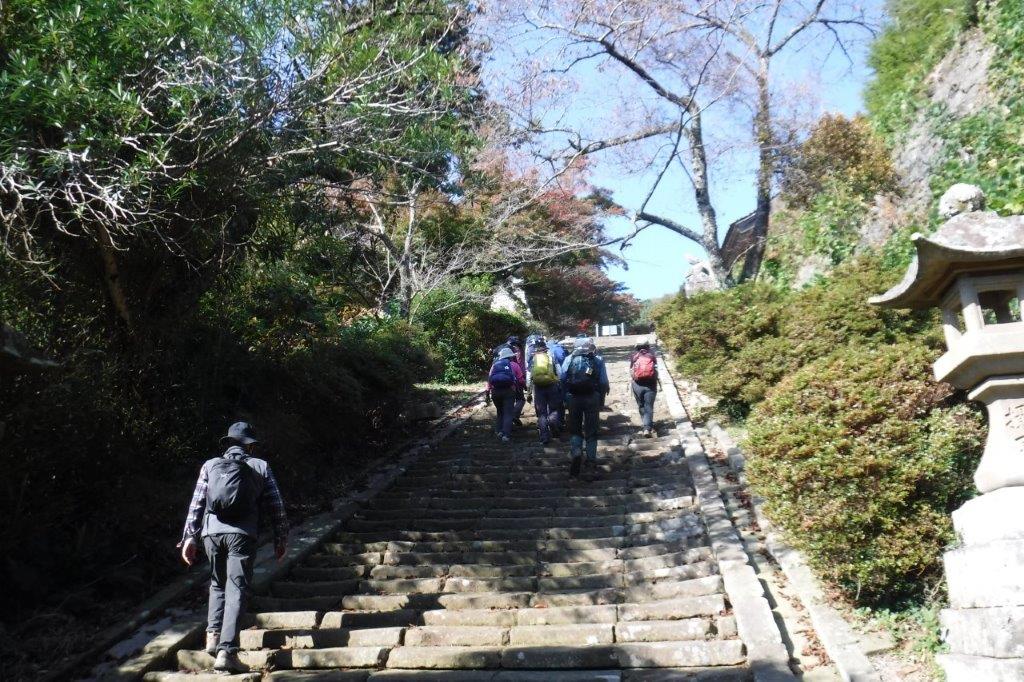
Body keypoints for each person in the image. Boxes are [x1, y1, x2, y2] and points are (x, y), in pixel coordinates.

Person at [178, 422, 289, 673]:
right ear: (250, 446)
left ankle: (213, 637)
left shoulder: (210, 465)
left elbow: (197, 503)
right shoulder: (260, 466)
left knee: (217, 583)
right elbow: (276, 505)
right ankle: (227, 652)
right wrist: (281, 538)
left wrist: (189, 538)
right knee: (237, 588)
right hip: (242, 535)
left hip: (211, 534)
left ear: (228, 443)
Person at [560, 337, 610, 478]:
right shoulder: (598, 360)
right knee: (591, 431)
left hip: (573, 398)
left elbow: (562, 378)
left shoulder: (569, 359)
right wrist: (601, 400)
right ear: (590, 347)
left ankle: (576, 451)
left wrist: (565, 397)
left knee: (575, 430)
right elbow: (603, 382)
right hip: (592, 397)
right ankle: (590, 463)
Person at [527, 336, 562, 444]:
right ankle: (553, 426)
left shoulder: (533, 360)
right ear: (546, 349)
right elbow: (559, 372)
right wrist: (559, 382)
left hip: (538, 387)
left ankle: (544, 437)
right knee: (553, 409)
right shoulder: (551, 357)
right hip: (552, 385)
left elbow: (528, 377)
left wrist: (529, 391)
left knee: (541, 413)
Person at [487, 346, 525, 442]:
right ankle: (506, 435)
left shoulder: (495, 365)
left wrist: (488, 391)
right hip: (509, 391)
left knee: (500, 412)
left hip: (495, 392)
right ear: (510, 356)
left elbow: (489, 379)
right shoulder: (514, 365)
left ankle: (498, 431)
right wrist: (523, 386)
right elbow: (520, 379)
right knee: (508, 413)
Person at [630, 340, 659, 437]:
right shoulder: (652, 356)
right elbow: (655, 370)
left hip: (637, 385)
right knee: (649, 406)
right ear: (648, 346)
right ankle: (647, 427)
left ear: (637, 346)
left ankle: (645, 425)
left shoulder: (634, 356)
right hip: (651, 385)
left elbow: (631, 370)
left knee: (641, 405)